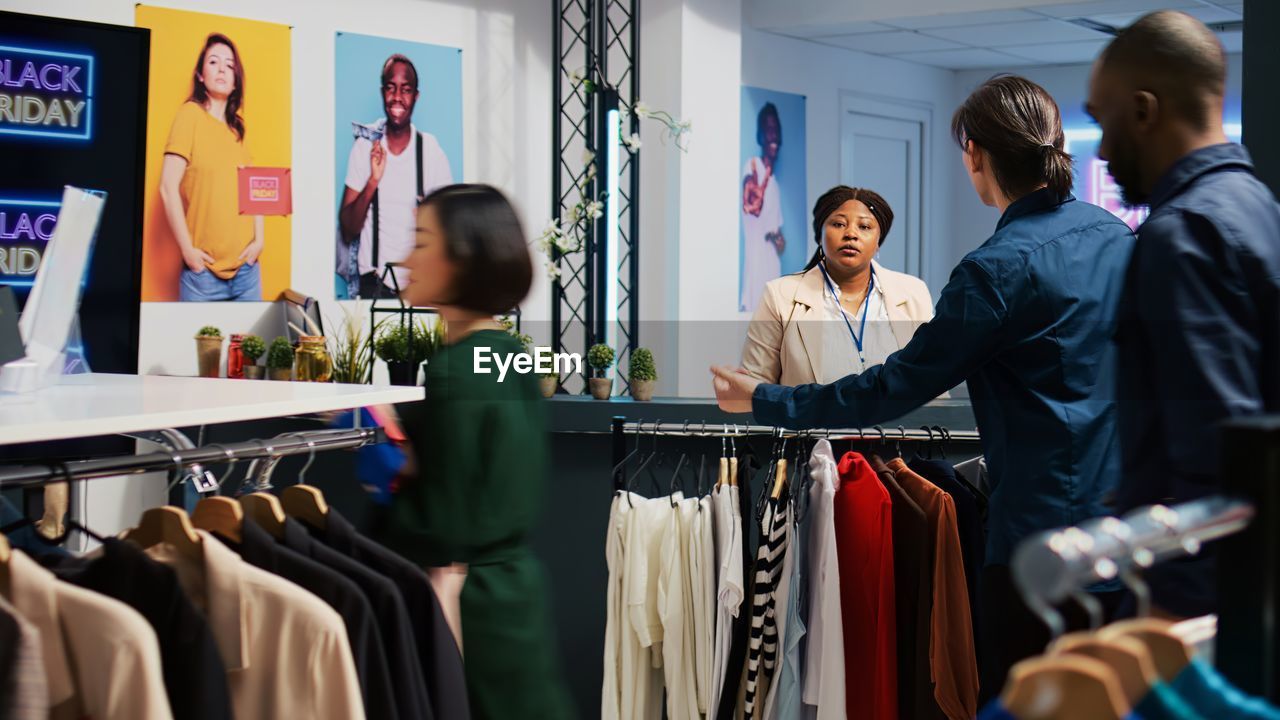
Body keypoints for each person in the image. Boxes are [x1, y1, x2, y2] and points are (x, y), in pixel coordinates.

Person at [711, 75, 1137, 699]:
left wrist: (767, 400)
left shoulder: (995, 272)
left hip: (1041, 548)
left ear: (975, 157)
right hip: (1127, 532)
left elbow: (895, 386)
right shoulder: (1116, 237)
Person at [1088, 11, 1280, 617]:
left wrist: (1167, 627)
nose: (1104, 148)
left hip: (1198, 601)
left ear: (1144, 112)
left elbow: (1216, 460)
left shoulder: (1182, 235)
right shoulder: (1259, 209)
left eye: (1104, 120)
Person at [381, 184, 573, 719]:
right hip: (515, 595)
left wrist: (386, 495)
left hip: (470, 608)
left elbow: (443, 523)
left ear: (463, 256)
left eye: (421, 241)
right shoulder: (513, 354)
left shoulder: (454, 368)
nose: (405, 259)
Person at [741, 186, 934, 385]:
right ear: (820, 235)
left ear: (878, 241)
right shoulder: (779, 295)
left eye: (865, 227)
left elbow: (932, 382)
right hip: (813, 417)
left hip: (900, 417)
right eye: (838, 224)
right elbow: (754, 388)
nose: (851, 234)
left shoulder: (913, 293)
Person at [160, 33, 264, 302]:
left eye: (229, 65)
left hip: (246, 272)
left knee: (252, 346)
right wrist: (188, 253)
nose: (222, 69)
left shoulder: (237, 129)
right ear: (200, 75)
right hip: (202, 275)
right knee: (196, 346)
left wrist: (259, 241)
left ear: (235, 80)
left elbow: (255, 189)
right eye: (214, 62)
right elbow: (167, 187)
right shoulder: (189, 116)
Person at [339, 53, 454, 299]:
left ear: (416, 96)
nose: (397, 97)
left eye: (406, 89)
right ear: (383, 92)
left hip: (420, 286)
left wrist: (429, 216)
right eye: (391, 89)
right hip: (374, 285)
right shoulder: (364, 146)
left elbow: (450, 230)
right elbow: (348, 230)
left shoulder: (430, 150)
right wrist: (373, 181)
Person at [740, 102, 786, 312]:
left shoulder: (774, 182)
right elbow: (751, 206)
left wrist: (776, 239)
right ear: (760, 134)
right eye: (768, 129)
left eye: (776, 129)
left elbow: (780, 243)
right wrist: (766, 172)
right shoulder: (752, 166)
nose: (773, 135)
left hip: (772, 270)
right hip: (756, 268)